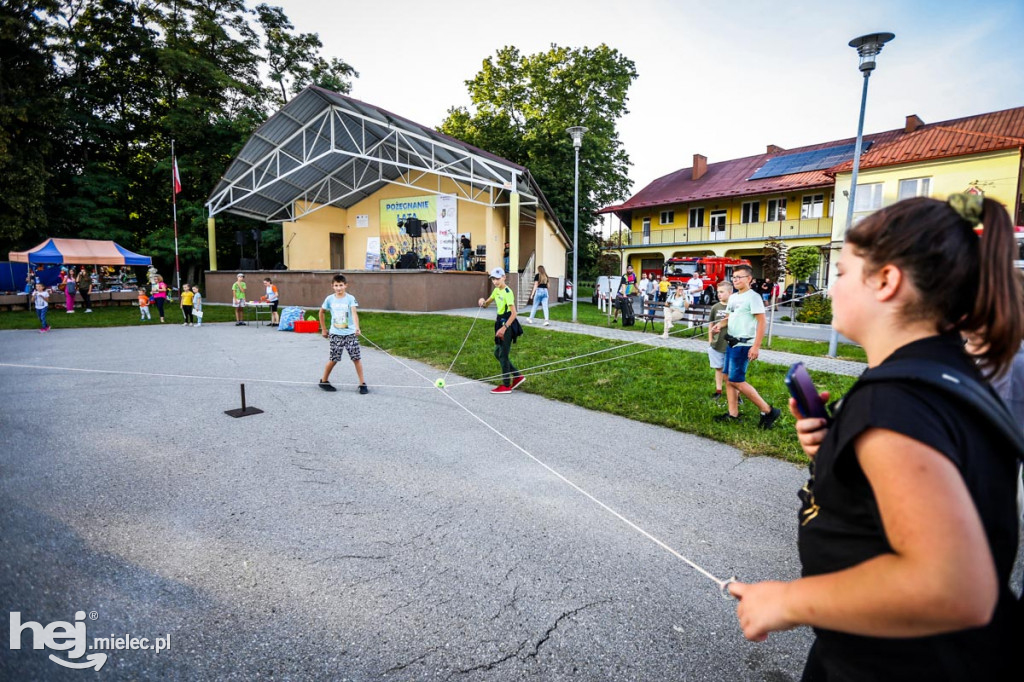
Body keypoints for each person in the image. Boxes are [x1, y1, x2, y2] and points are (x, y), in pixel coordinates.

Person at [728, 195, 1024, 681]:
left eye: (841, 273)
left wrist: (786, 599)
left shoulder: (896, 402)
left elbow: (954, 589)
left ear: (887, 281)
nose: (832, 287)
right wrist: (836, 449)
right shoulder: (945, 375)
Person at [709, 264, 781, 428]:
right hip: (731, 343)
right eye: (733, 277)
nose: (735, 280)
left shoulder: (753, 297)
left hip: (744, 344)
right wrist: (720, 324)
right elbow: (729, 317)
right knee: (727, 378)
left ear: (749, 279)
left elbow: (762, 322)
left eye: (739, 277)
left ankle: (768, 411)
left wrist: (756, 346)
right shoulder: (733, 297)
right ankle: (732, 414)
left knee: (736, 380)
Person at [318, 274, 367, 394]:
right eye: (336, 285)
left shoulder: (350, 298)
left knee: (356, 358)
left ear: (345, 285)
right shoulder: (329, 299)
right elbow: (321, 312)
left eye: (341, 285)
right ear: (332, 286)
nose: (338, 288)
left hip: (350, 333)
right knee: (334, 358)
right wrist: (324, 329)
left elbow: (354, 313)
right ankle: (324, 381)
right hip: (335, 334)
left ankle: (362, 384)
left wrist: (357, 327)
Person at [478, 267, 524, 394]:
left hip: (507, 323)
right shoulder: (496, 291)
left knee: (503, 355)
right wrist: (482, 302)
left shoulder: (507, 292)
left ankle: (506, 385)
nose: (495, 281)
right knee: (497, 353)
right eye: (493, 279)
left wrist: (504, 328)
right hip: (499, 322)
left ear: (504, 277)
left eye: (498, 279)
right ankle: (517, 376)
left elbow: (514, 313)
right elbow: (486, 304)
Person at [706, 281, 733, 399]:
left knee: (731, 371)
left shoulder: (734, 307)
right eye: (718, 292)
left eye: (722, 292)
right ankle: (718, 391)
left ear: (730, 292)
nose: (719, 294)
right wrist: (710, 340)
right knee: (719, 368)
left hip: (731, 344)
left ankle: (736, 394)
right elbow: (710, 324)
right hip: (717, 343)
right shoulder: (715, 307)